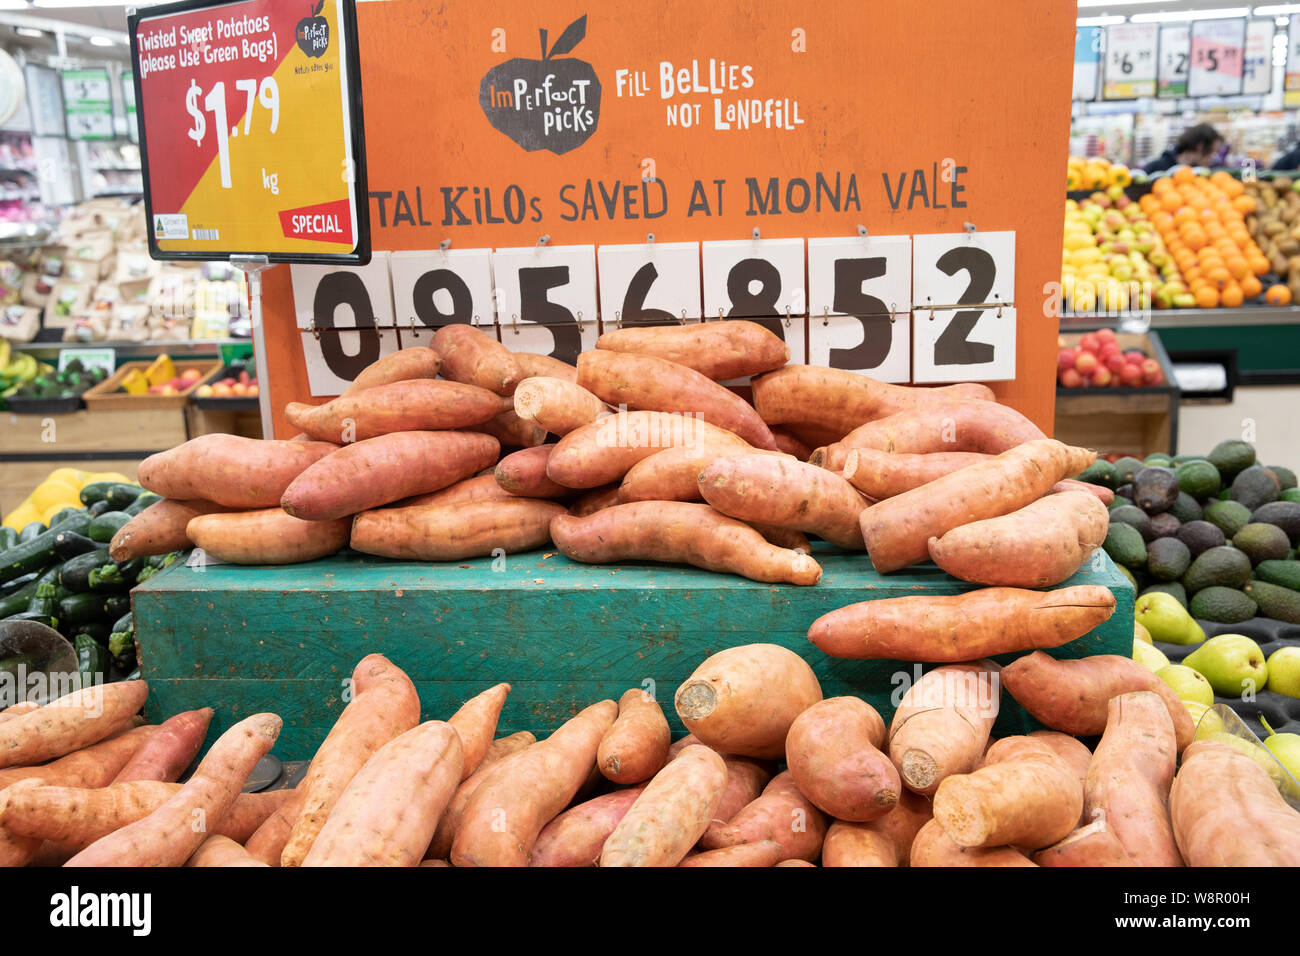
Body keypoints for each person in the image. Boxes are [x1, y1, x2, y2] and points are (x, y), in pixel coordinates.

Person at [1141, 124, 1223, 174]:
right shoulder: (1154, 168)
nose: (1214, 157)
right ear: (1200, 147)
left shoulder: (1200, 174)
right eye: (1212, 151)